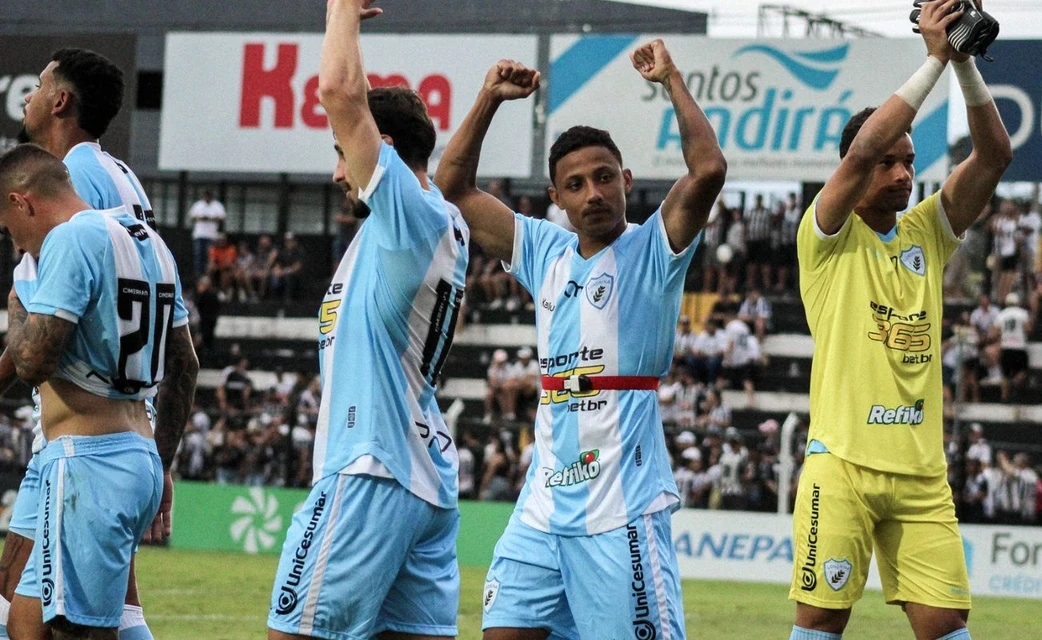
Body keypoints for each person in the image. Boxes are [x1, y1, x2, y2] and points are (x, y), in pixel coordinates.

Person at [436, 38, 725, 638]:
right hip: (542, 504)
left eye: (602, 178)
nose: (592, 193)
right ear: (556, 199)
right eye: (575, 185)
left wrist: (671, 80)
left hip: (620, 508)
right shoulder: (542, 249)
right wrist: (489, 99)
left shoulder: (653, 246)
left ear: (625, 179)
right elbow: (454, 187)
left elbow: (708, 170)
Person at [789, 2, 1012, 638]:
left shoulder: (927, 231)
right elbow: (862, 147)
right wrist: (933, 56)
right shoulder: (825, 234)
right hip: (843, 467)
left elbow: (994, 156)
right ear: (852, 172)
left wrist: (964, 63)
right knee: (819, 624)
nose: (902, 172)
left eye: (909, 161)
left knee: (947, 626)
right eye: (889, 162)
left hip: (921, 473)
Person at [266, 2, 471, 639]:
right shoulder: (416, 222)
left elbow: (337, 91)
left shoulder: (408, 216)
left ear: (378, 150)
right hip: (419, 476)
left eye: (341, 152)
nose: (336, 171)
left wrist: (340, 11)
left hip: (369, 468)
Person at [0, 144, 198, 640]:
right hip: (137, 453)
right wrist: (164, 460)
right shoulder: (151, 240)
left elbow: (31, 362)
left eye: (9, 230)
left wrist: (19, 299)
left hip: (88, 461)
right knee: (23, 620)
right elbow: (185, 365)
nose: (18, 247)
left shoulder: (70, 241)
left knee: (79, 631)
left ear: (22, 202)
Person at [993, 293, 1030, 402]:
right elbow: (1028, 329)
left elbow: (996, 331)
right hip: (1019, 346)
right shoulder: (1023, 313)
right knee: (1023, 370)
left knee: (1005, 374)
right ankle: (1015, 385)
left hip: (1006, 346)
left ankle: (1004, 397)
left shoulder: (1002, 314)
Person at [189, 189, 226, 276]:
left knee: (209, 256)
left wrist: (210, 218)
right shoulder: (198, 205)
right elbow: (191, 216)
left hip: (211, 235)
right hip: (199, 234)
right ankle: (198, 274)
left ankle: (207, 274)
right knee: (198, 255)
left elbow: (222, 217)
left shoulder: (217, 206)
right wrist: (202, 218)